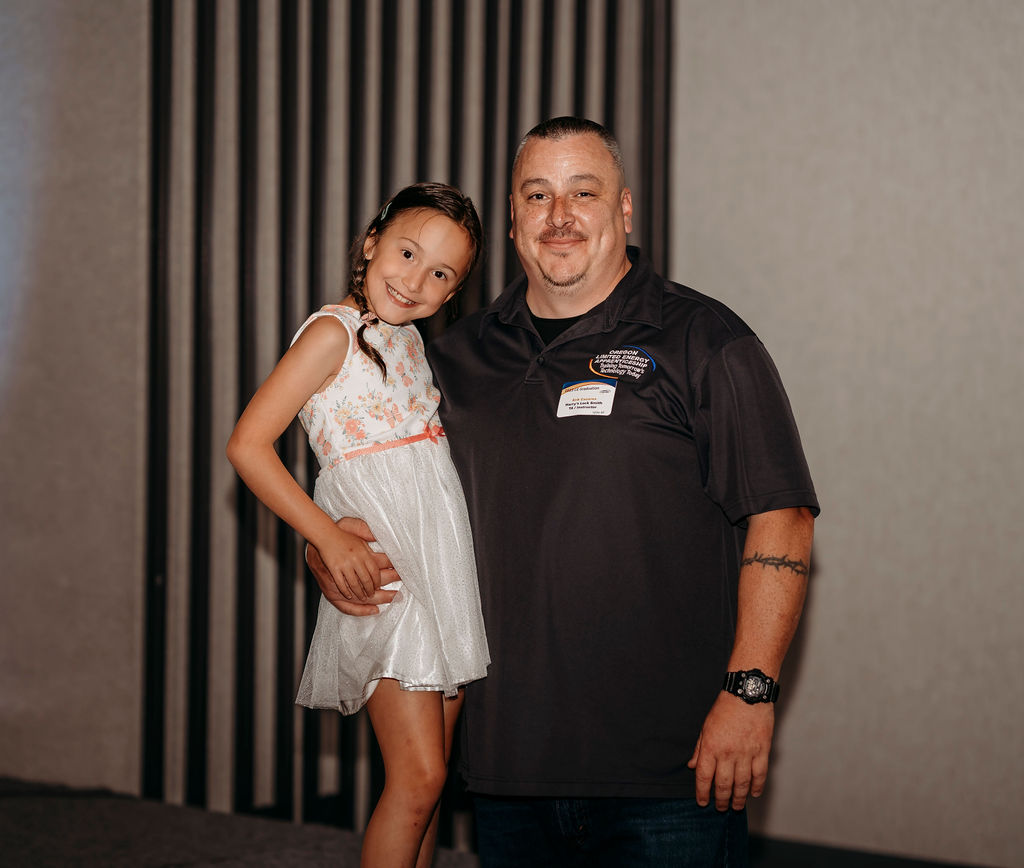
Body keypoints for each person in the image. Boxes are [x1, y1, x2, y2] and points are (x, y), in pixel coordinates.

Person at [310, 118, 818, 866]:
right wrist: (329, 548)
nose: (559, 216)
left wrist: (750, 694)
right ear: (513, 219)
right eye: (537, 194)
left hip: (668, 774)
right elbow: (380, 484)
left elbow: (784, 518)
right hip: (507, 769)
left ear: (624, 209)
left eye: (583, 192)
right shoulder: (449, 358)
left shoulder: (705, 341)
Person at [227, 183, 490, 868]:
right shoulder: (331, 334)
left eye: (442, 274)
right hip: (386, 572)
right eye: (407, 253)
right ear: (371, 242)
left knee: (430, 786)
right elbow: (248, 445)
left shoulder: (409, 342)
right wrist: (327, 535)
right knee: (419, 777)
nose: (416, 281)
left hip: (440, 570)